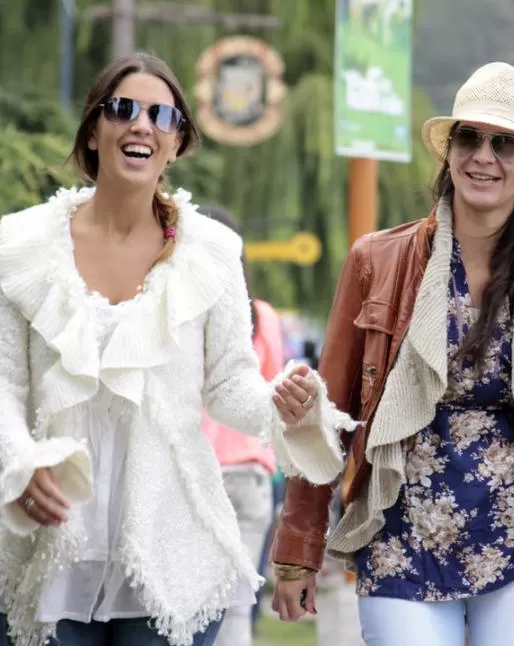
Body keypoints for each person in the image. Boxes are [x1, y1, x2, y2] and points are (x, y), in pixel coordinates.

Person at [0, 52, 354, 646]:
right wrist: (22, 459)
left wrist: (283, 405)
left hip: (173, 550)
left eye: (162, 115)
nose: (141, 124)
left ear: (176, 144)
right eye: (122, 109)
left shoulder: (213, 252)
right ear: (93, 132)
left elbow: (228, 384)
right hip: (53, 543)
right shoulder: (23, 243)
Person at [270, 62, 514, 646]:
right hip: (400, 532)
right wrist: (298, 548)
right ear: (450, 152)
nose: (483, 157)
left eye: (506, 144)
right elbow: (331, 414)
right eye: (470, 138)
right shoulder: (376, 261)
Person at [196, 204, 284, 646]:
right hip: (252, 474)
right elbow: (271, 390)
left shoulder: (186, 311)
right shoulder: (262, 315)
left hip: (198, 473)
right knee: (234, 609)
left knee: (188, 605)